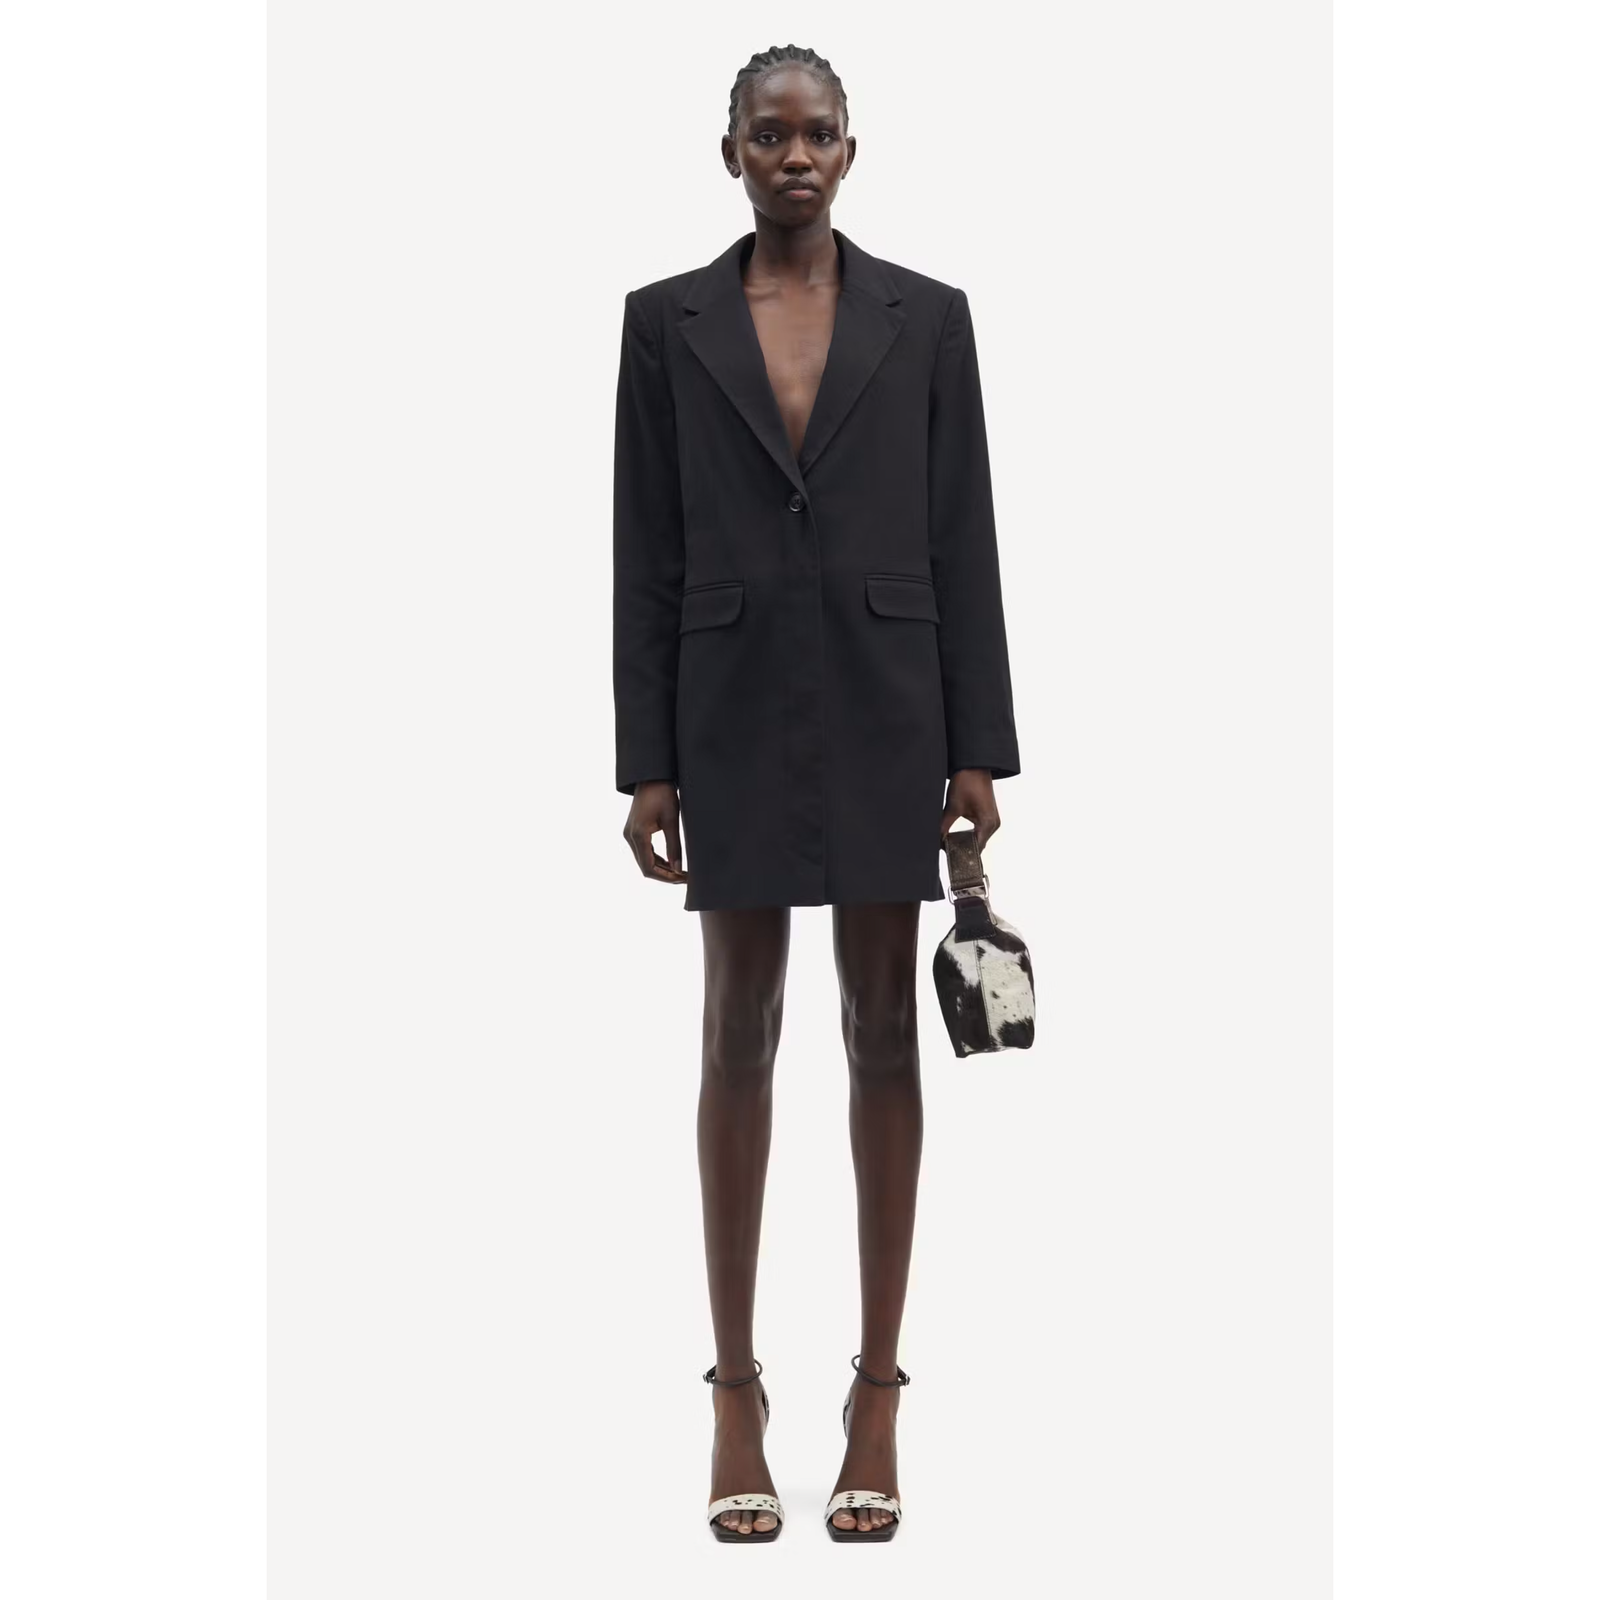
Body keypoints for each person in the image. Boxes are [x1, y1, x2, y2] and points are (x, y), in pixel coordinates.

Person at [611, 43, 1021, 1543]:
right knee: (738, 1029)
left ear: (853, 150)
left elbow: (965, 533)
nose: (795, 155)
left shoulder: (928, 317)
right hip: (725, 705)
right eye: (769, 134)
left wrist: (977, 744)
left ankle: (877, 1396)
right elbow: (644, 547)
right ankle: (735, 1390)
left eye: (819, 134)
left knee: (881, 1029)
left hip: (885, 701)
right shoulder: (665, 322)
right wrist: (646, 758)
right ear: (728, 151)